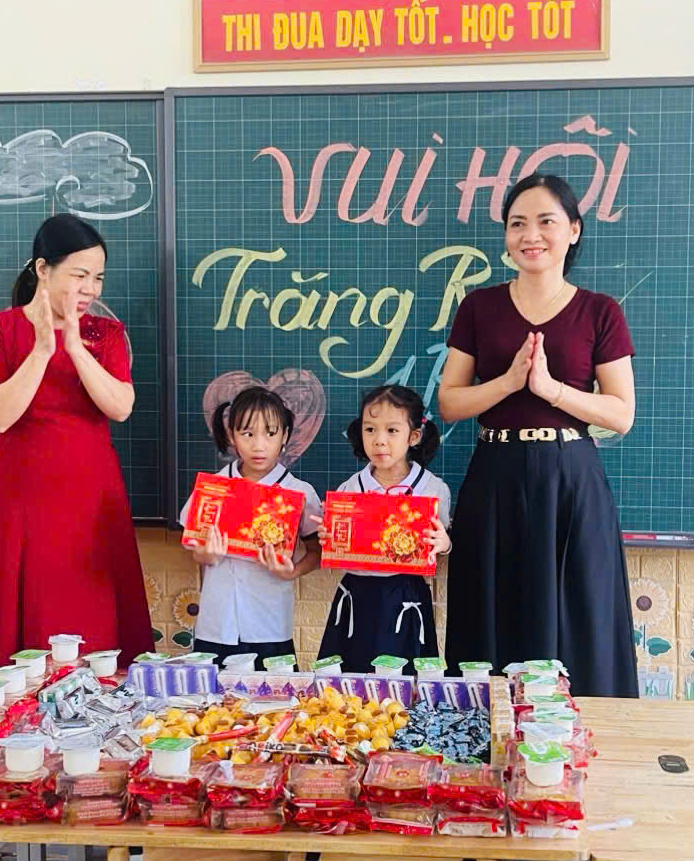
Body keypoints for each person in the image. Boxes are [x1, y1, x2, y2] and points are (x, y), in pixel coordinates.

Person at [438, 172, 639, 697]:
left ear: (573, 230)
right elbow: (450, 402)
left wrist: (551, 390)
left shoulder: (600, 311)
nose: (531, 235)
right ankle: (485, 732)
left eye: (546, 221)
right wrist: (508, 383)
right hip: (495, 475)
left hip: (571, 479)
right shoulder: (479, 306)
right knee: (490, 613)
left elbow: (621, 413)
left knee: (580, 615)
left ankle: (582, 732)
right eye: (517, 223)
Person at [0, 214, 154, 695]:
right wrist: (42, 350)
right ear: (43, 269)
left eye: (98, 278)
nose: (90, 288)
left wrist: (75, 347)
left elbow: (121, 406)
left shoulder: (106, 333)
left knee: (98, 612)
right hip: (27, 500)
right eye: (79, 275)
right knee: (33, 618)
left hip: (94, 501)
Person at [311, 385, 452, 674]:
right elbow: (339, 546)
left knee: (405, 679)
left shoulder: (433, 489)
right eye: (370, 429)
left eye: (392, 430)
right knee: (354, 675)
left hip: (406, 594)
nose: (379, 441)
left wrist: (444, 543)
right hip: (357, 593)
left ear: (414, 437)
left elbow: (440, 546)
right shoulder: (350, 489)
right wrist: (329, 538)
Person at [181, 386, 322, 666]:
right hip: (217, 622)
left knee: (274, 691)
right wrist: (206, 556)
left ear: (284, 436)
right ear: (232, 435)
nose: (259, 445)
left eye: (270, 434)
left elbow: (317, 550)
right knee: (215, 692)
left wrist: (292, 572)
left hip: (269, 623)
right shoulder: (213, 489)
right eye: (247, 434)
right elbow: (194, 546)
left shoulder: (299, 492)